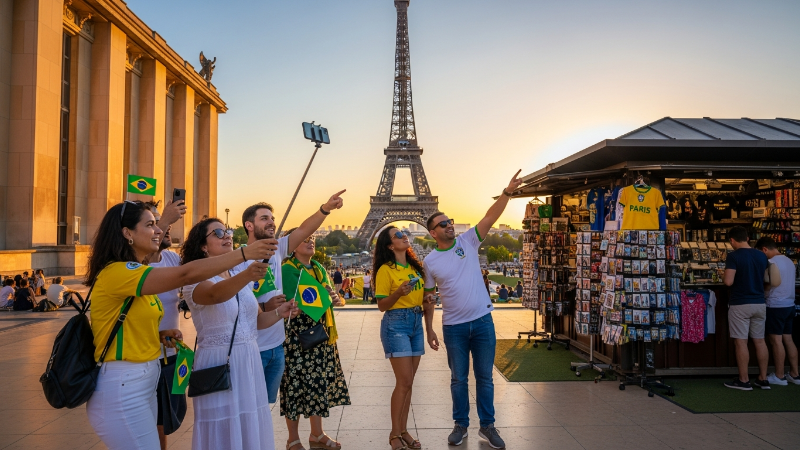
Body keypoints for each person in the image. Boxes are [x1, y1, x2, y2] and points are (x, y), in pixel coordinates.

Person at [83, 200, 278, 449]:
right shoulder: (119, 272)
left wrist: (159, 334)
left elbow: (128, 321)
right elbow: (186, 275)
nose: (158, 230)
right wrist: (243, 254)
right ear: (127, 233)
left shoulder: (135, 272)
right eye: (151, 224)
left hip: (141, 380)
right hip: (122, 385)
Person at [422, 170, 522, 449]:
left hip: (481, 322)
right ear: (433, 233)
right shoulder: (430, 262)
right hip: (453, 327)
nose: (449, 225)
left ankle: (487, 426)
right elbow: (429, 298)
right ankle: (461, 424)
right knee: (458, 379)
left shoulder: (468, 241)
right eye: (443, 224)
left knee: (485, 378)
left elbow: (490, 217)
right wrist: (429, 329)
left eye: (450, 221)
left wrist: (508, 192)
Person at [182, 218, 299, 450]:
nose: (227, 235)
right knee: (225, 430)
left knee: (249, 424)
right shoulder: (195, 280)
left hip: (249, 360)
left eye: (227, 231)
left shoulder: (237, 274)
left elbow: (255, 321)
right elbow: (215, 295)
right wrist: (246, 274)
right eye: (217, 232)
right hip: (219, 363)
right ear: (203, 246)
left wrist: (279, 312)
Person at [236, 191, 344, 407]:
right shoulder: (238, 259)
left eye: (272, 218)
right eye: (264, 218)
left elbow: (305, 229)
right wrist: (265, 306)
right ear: (249, 225)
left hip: (277, 343)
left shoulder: (276, 250)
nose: (271, 222)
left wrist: (325, 208)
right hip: (253, 346)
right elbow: (234, 303)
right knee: (249, 407)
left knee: (265, 407)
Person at [281, 230, 350, 450]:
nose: (310, 241)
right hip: (298, 338)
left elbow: (329, 299)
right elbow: (295, 305)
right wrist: (324, 297)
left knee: (316, 385)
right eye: (304, 238)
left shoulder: (318, 268)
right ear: (291, 245)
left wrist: (336, 298)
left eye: (312, 238)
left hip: (321, 334)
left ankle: (316, 434)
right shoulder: (287, 270)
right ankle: (293, 438)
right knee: (295, 386)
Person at [374, 226, 427, 450]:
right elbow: (381, 305)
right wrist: (399, 293)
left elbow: (424, 297)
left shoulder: (416, 268)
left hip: (416, 322)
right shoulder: (386, 270)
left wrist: (429, 303)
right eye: (398, 235)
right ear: (389, 245)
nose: (404, 235)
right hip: (396, 323)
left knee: (409, 383)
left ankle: (403, 430)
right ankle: (394, 433)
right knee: (403, 381)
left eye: (404, 232)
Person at [144, 199, 188, 449]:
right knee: (150, 417)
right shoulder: (133, 262)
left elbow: (195, 272)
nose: (165, 228)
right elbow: (142, 259)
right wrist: (166, 220)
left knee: (165, 416)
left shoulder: (172, 259)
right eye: (153, 223)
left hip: (170, 354)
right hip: (142, 356)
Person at [722, 226, 780, 391]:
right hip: (759, 303)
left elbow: (728, 282)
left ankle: (744, 380)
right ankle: (763, 378)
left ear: (732, 240)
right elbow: (769, 279)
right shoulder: (762, 256)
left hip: (740, 303)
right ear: (747, 238)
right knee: (760, 341)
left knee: (741, 342)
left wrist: (723, 274)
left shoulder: (733, 256)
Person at [755, 237, 800, 386]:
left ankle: (779, 376)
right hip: (789, 304)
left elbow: (769, 285)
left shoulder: (772, 263)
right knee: (788, 339)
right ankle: (795, 374)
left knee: (776, 340)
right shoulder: (789, 261)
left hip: (775, 305)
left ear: (764, 249)